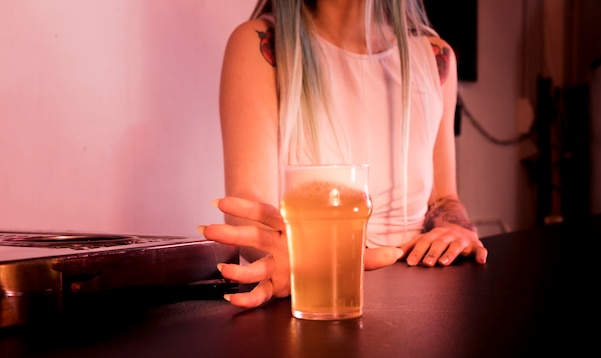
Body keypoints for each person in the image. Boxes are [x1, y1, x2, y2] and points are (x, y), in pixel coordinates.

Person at [199, 0, 488, 309]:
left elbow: (444, 198)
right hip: (317, 300)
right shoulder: (261, 42)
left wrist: (454, 229)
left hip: (422, 306)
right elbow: (250, 206)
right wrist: (299, 256)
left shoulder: (435, 56)